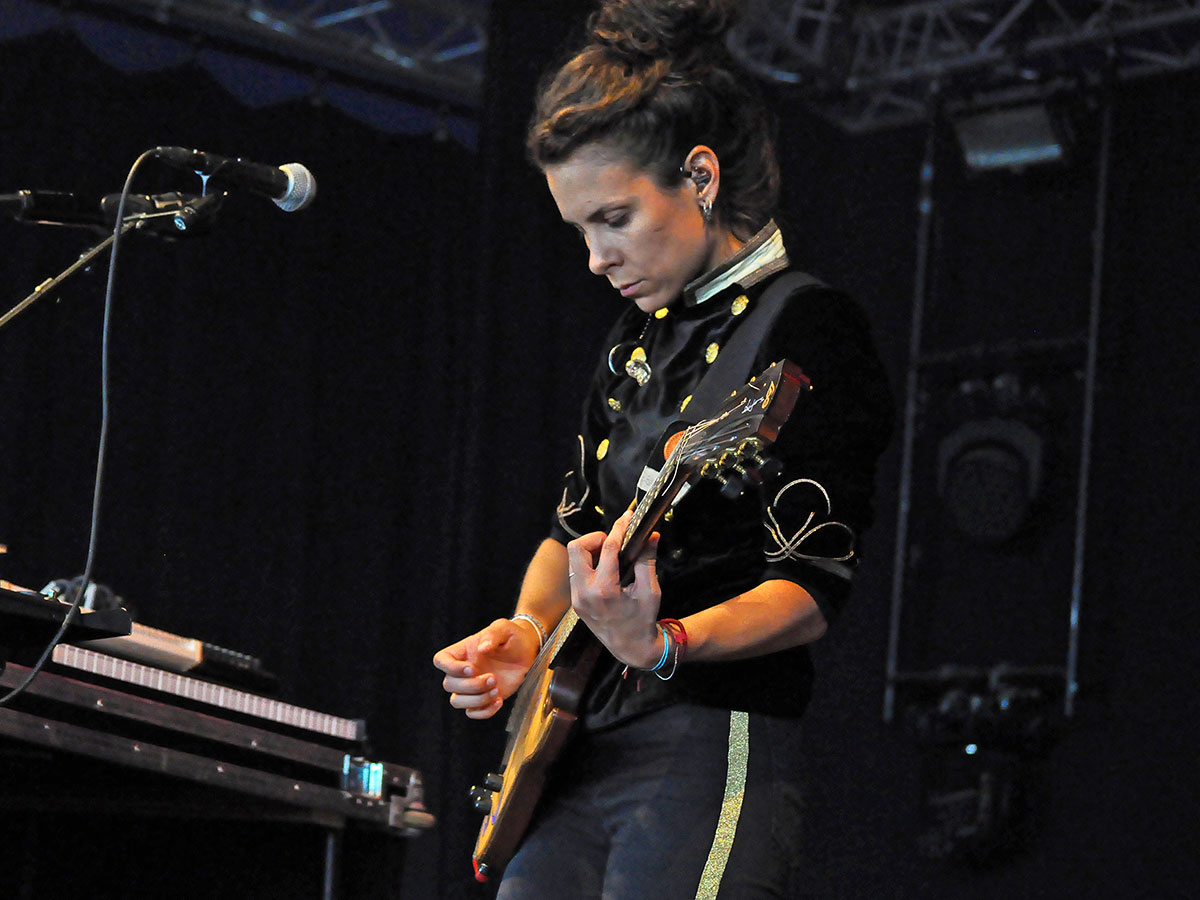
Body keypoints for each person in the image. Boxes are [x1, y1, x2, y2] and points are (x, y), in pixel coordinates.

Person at [433, 1, 893, 896]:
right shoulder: (633, 342)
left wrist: (663, 643)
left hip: (709, 732)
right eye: (579, 231)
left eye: (613, 218)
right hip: (574, 738)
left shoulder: (809, 328)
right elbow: (572, 532)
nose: (596, 258)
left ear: (700, 176)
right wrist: (525, 634)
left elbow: (810, 587)